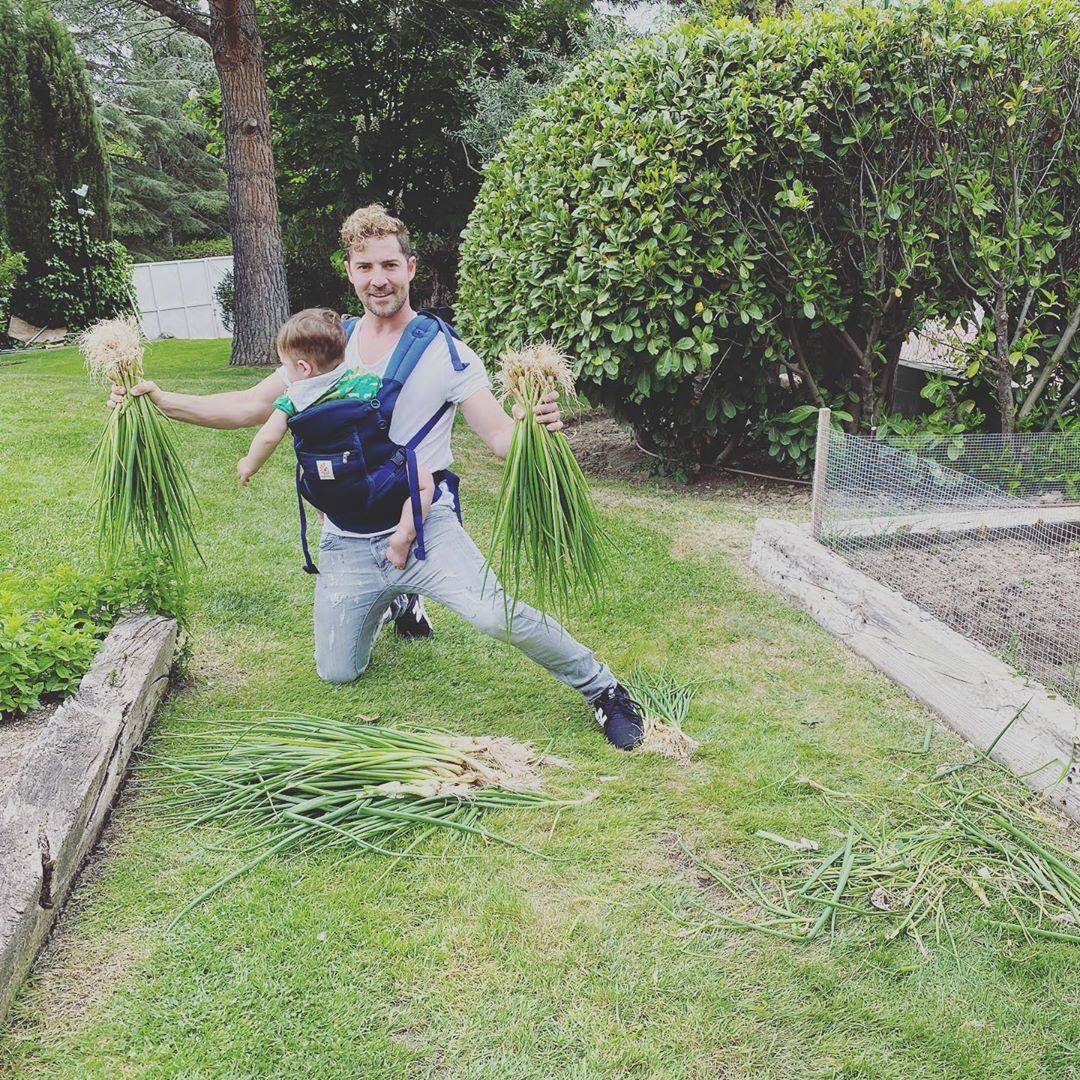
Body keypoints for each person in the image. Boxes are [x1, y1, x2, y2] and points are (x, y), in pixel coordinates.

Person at [109, 204, 646, 750]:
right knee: (336, 670)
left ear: (411, 267)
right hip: (344, 534)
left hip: (423, 524)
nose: (378, 279)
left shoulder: (446, 352)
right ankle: (402, 601)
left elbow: (502, 439)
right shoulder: (328, 346)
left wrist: (538, 428)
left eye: (389, 265)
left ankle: (601, 688)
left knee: (493, 615)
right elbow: (250, 406)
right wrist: (162, 400)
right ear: (350, 271)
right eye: (365, 267)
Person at [236, 307, 435, 571]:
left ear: (304, 368)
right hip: (369, 476)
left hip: (323, 487)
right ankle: (402, 538)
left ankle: (329, 521)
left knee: (314, 482)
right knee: (425, 483)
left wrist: (248, 465)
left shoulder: (292, 400)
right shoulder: (363, 381)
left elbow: (268, 438)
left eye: (284, 365)